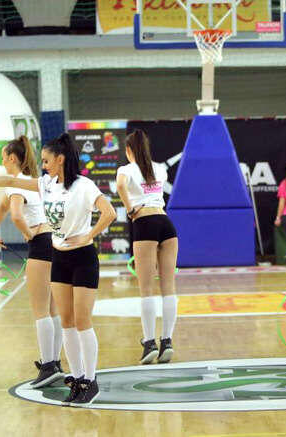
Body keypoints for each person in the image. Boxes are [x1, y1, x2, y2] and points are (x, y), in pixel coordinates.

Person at [0, 133, 116, 406]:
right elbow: (11, 182)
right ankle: (77, 378)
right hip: (59, 257)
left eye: (47, 161)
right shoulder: (46, 184)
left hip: (83, 258)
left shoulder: (84, 185)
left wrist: (89, 236)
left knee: (82, 321)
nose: (43, 166)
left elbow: (109, 212)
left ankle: (91, 381)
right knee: (67, 321)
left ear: (60, 159)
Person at [0, 136, 64, 388]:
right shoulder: (30, 182)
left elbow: (16, 215)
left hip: (40, 243)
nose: (2, 161)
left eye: (3, 157)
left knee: (41, 310)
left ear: (12, 158)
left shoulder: (15, 185)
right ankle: (55, 362)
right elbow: (3, 207)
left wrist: (28, 235)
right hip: (55, 243)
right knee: (53, 309)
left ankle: (48, 366)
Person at [116, 129, 178, 365]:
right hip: (166, 224)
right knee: (168, 287)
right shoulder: (159, 168)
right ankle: (167, 341)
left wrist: (130, 208)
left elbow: (120, 185)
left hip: (145, 223)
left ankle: (149, 342)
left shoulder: (126, 169)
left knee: (146, 289)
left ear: (128, 150)